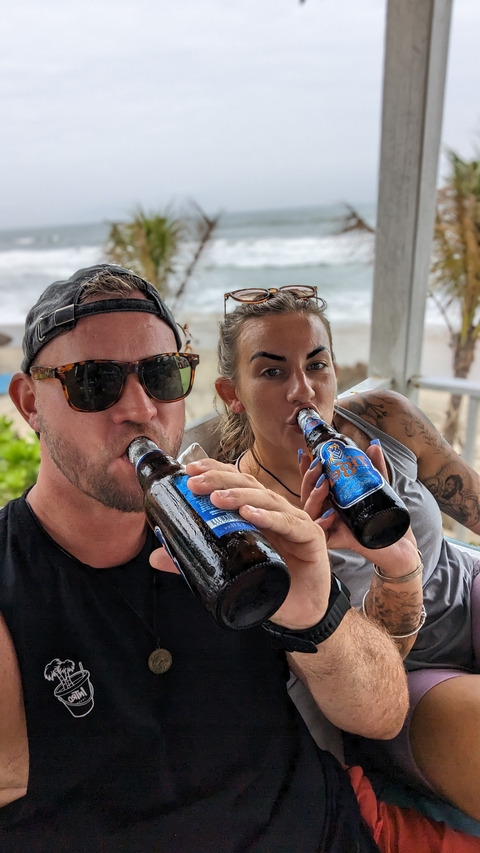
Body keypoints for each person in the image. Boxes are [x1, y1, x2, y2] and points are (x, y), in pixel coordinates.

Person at [0, 263, 415, 853]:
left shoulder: (240, 521)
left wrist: (316, 615)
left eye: (161, 375)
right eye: (93, 382)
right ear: (30, 404)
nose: (139, 408)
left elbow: (382, 715)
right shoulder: (11, 580)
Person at [215, 285, 480, 824]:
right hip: (406, 675)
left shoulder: (384, 418)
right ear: (231, 393)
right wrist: (394, 565)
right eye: (272, 372)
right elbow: (361, 666)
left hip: (467, 591)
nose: (303, 391)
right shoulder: (247, 522)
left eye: (317, 365)